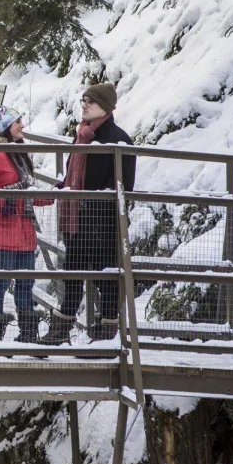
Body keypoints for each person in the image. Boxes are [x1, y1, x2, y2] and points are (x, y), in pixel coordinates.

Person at [42, 81, 137, 344]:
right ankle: (60, 331)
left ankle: (107, 335)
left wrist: (90, 202)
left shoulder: (117, 139)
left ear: (104, 107)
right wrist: (63, 188)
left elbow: (124, 186)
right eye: (83, 100)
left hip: (103, 224)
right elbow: (73, 176)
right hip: (78, 222)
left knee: (105, 279)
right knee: (72, 275)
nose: (84, 105)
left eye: (90, 101)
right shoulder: (83, 135)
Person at [0, 106, 51, 343]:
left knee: (25, 283)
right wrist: (7, 199)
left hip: (23, 232)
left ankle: (28, 334)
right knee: (0, 281)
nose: (22, 126)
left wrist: (54, 194)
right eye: (18, 122)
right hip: (1, 231)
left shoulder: (18, 154)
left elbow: (27, 193)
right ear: (6, 126)